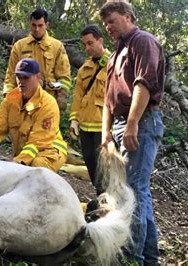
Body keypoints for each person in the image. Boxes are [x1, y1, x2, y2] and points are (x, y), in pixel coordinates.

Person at [99, 1, 165, 265]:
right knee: (136, 193)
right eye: (105, 23)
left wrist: (133, 123)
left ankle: (130, 257)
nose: (108, 27)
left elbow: (144, 84)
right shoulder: (115, 54)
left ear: (128, 16)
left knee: (133, 192)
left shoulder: (143, 42)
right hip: (118, 124)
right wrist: (105, 134)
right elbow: (107, 99)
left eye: (112, 21)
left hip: (141, 121)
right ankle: (148, 259)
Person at [0, 58, 67, 172]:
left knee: (37, 166)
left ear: (38, 77)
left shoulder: (48, 104)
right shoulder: (12, 98)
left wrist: (17, 161)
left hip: (49, 150)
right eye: (19, 77)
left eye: (26, 78)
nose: (21, 81)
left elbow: (38, 142)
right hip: (26, 151)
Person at [2, 8, 71, 111]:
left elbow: (64, 78)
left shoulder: (57, 47)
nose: (37, 29)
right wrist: (8, 98)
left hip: (48, 102)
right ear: (30, 24)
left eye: (40, 25)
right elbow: (11, 76)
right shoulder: (19, 46)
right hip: (23, 102)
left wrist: (61, 97)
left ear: (46, 25)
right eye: (34, 25)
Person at [69, 25, 110, 196]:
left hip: (103, 126)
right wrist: (74, 120)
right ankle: (100, 196)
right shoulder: (85, 68)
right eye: (84, 44)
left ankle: (106, 200)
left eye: (90, 43)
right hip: (85, 125)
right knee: (90, 164)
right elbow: (78, 96)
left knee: (104, 168)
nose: (87, 48)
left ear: (100, 40)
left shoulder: (113, 64)